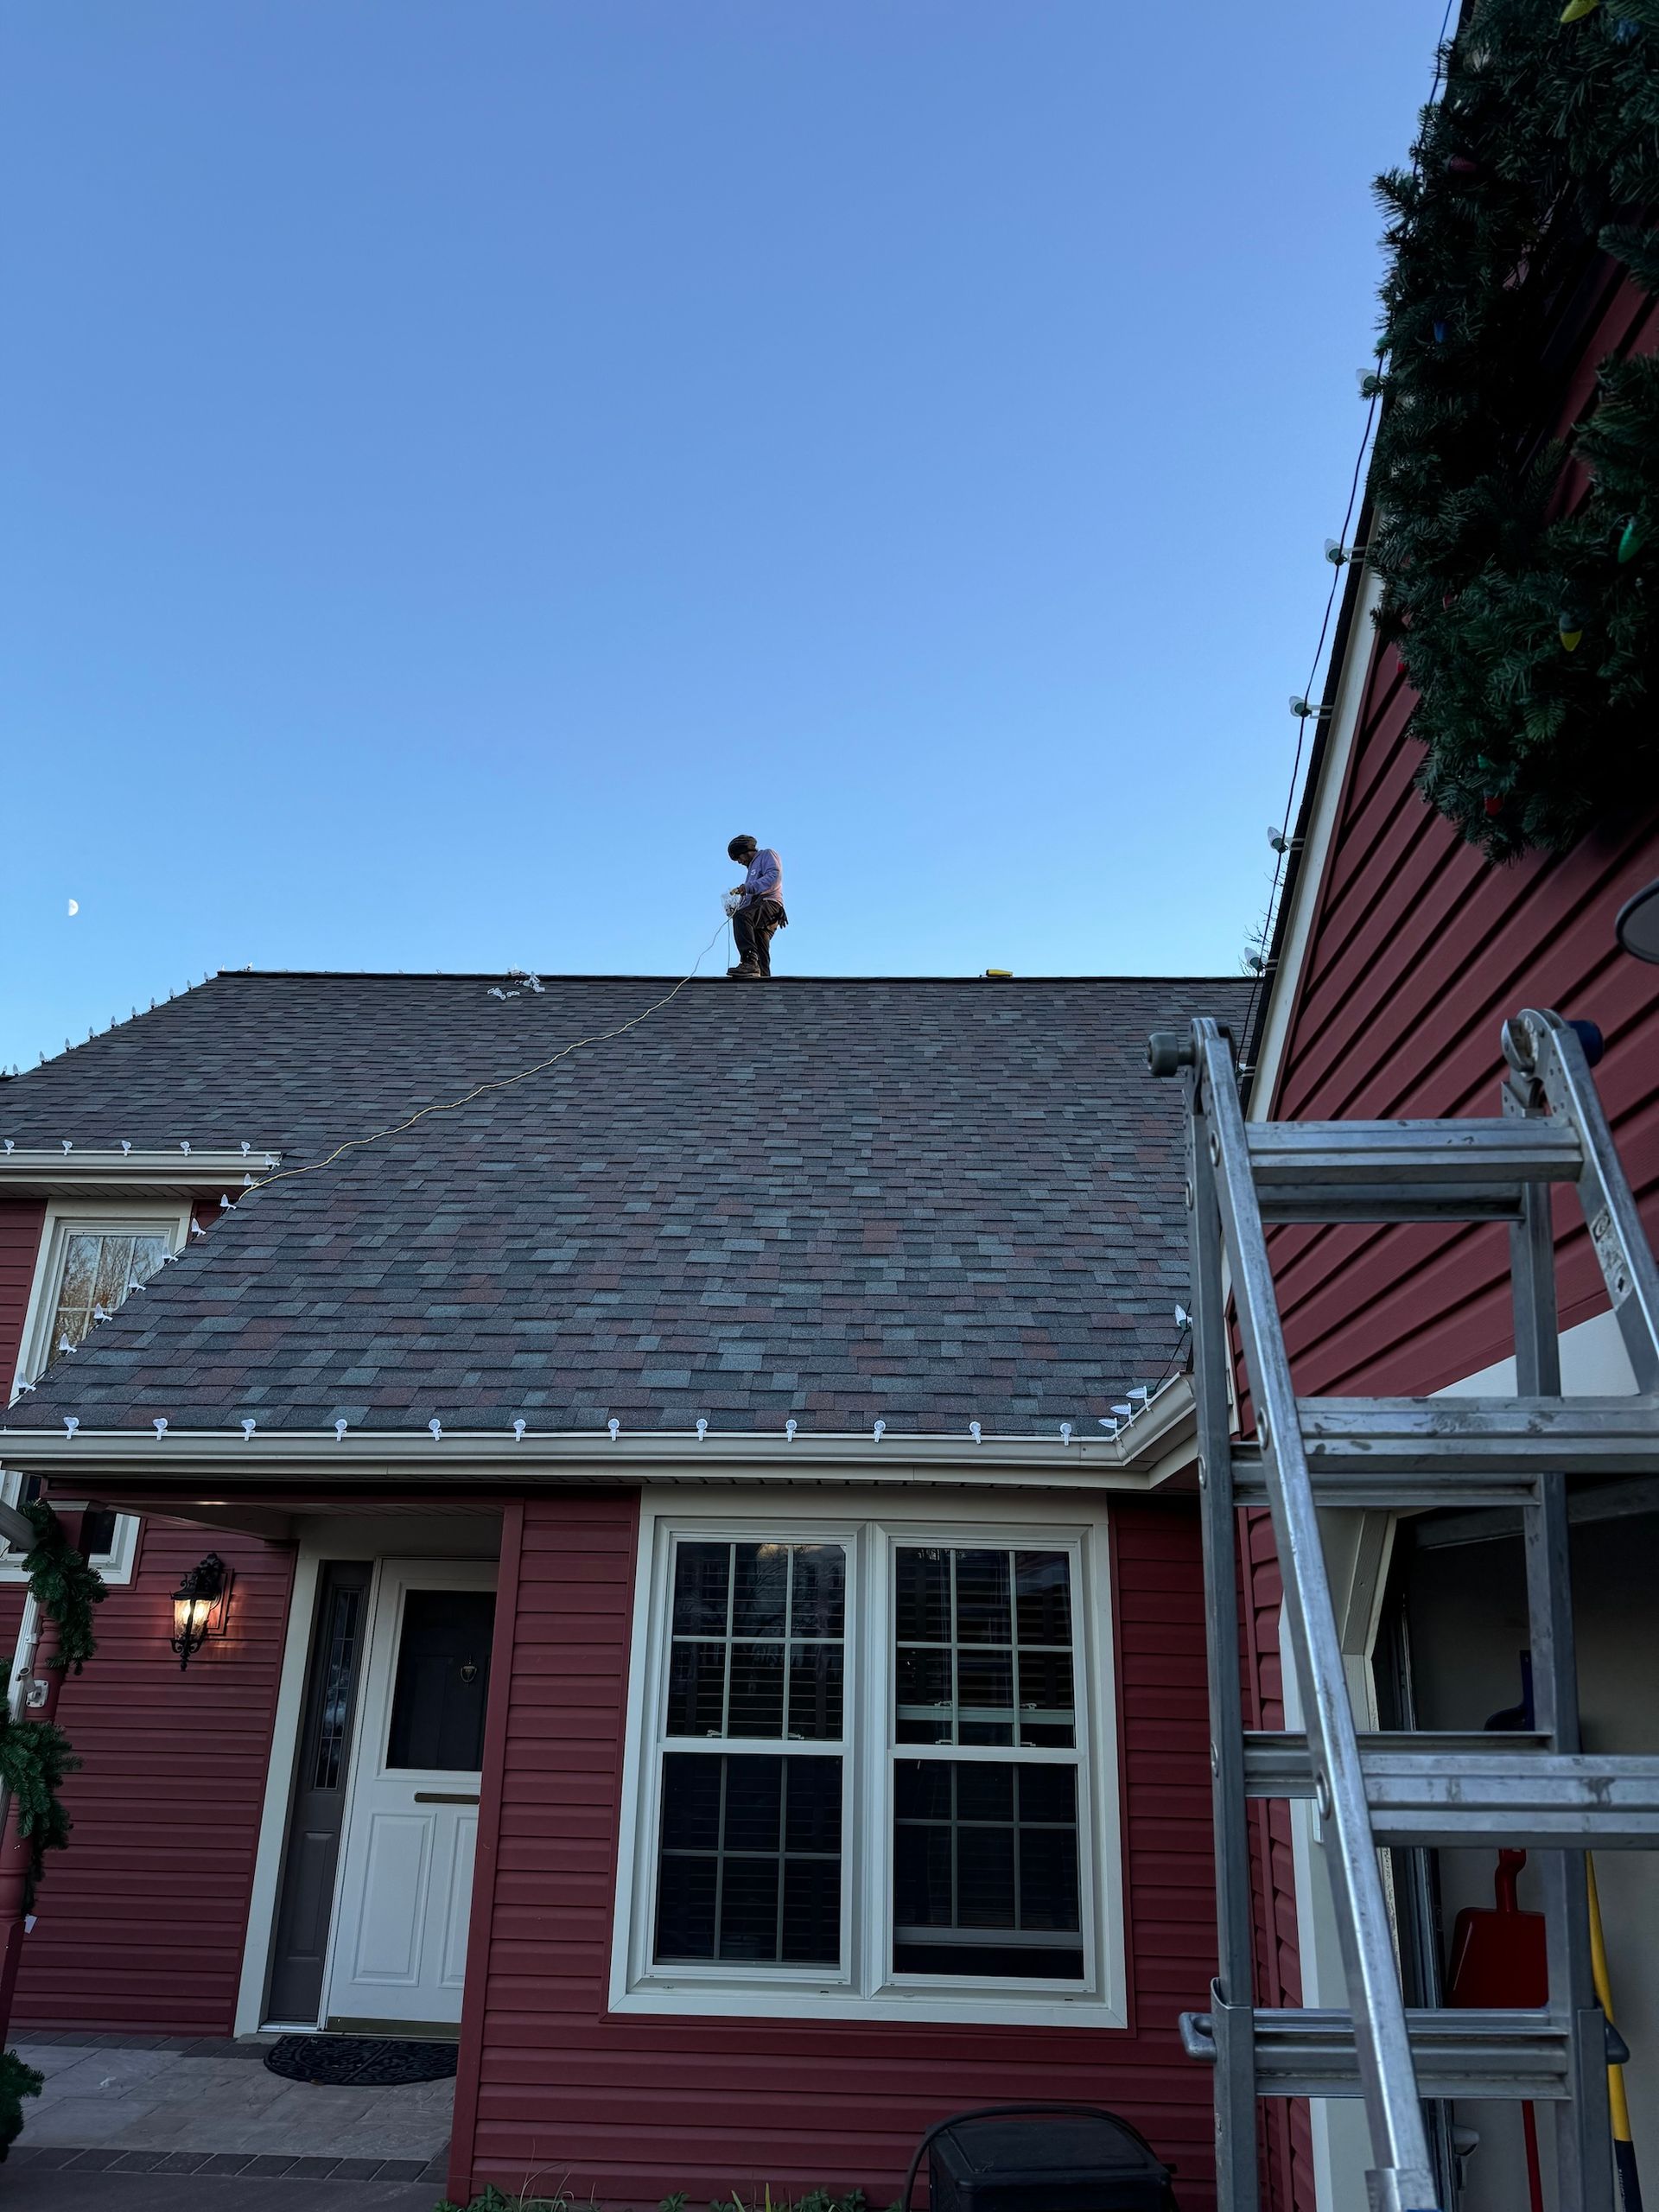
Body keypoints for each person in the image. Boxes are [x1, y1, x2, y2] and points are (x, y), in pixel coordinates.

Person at [726, 835, 787, 979]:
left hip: (770, 903)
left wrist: (747, 887)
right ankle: (762, 979)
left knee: (742, 917)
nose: (739, 862)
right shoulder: (751, 870)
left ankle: (749, 962)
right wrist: (736, 906)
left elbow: (774, 876)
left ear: (746, 850)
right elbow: (750, 896)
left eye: (738, 857)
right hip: (762, 907)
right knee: (760, 949)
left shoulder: (767, 855)